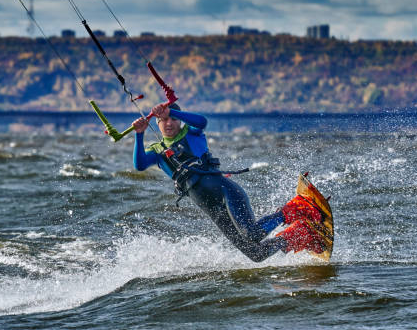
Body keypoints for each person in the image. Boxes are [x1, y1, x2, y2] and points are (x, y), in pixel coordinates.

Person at [131, 102, 326, 262]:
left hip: (225, 192)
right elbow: (139, 165)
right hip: (210, 207)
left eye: (173, 119)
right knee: (256, 254)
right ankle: (300, 234)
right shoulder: (157, 151)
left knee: (252, 233)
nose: (169, 123)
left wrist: (170, 110)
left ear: (180, 121)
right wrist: (139, 134)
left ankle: (293, 210)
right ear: (156, 124)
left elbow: (202, 121)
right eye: (164, 119)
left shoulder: (191, 133)